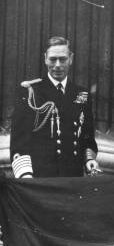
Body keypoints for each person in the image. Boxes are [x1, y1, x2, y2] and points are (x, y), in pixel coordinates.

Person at [10, 36, 100, 178]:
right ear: (45, 59)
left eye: (63, 59)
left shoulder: (82, 94)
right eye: (53, 59)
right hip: (40, 176)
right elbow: (19, 139)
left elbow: (87, 137)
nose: (57, 65)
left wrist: (89, 159)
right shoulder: (30, 91)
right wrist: (25, 174)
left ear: (71, 59)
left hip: (73, 175)